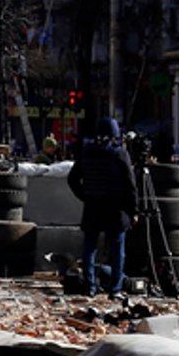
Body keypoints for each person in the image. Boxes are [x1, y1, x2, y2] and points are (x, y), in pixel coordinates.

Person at [67, 117, 138, 296]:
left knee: (89, 248)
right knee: (117, 250)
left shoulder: (86, 152)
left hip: (93, 206)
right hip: (115, 208)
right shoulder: (120, 154)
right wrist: (133, 210)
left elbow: (72, 179)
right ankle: (115, 288)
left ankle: (89, 286)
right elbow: (131, 185)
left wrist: (85, 196)